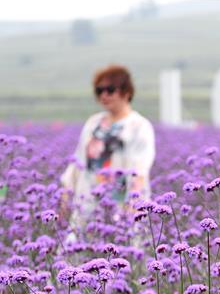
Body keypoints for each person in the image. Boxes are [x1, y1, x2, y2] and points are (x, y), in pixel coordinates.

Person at [61, 65, 155, 228]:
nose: (104, 95)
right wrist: (65, 199)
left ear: (126, 92)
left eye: (110, 90)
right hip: (87, 203)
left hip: (122, 204)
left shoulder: (139, 126)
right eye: (99, 91)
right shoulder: (93, 123)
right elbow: (78, 163)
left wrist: (133, 207)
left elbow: (140, 169)